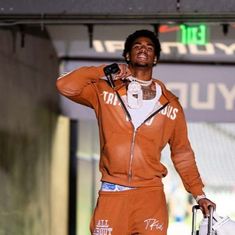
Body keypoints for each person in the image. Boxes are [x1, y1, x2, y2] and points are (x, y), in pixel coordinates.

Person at [56, 29, 216, 235]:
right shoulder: (106, 91)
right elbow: (65, 85)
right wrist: (104, 70)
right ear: (127, 55)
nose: (144, 49)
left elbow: (182, 152)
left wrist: (199, 194)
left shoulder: (171, 105)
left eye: (149, 48)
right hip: (113, 193)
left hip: (150, 196)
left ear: (155, 58)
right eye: (137, 46)